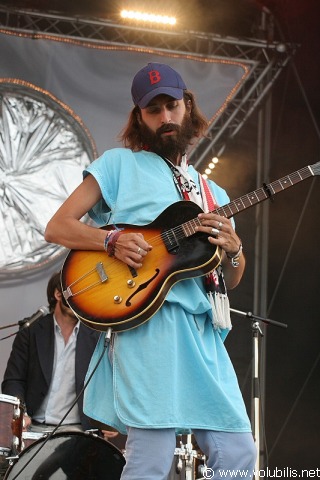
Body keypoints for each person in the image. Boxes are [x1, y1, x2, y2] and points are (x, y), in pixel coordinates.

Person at [44, 62, 257, 479]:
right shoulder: (119, 164)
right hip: (147, 325)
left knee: (239, 456)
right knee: (152, 458)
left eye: (171, 106)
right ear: (138, 117)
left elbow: (231, 279)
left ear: (187, 106)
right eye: (153, 110)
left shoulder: (213, 192)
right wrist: (111, 240)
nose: (165, 118)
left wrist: (234, 250)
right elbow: (58, 226)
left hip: (204, 333)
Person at [1, 272, 104, 436]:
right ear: (58, 294)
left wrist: (107, 417)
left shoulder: (97, 335)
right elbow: (14, 380)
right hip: (32, 428)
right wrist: (19, 414)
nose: (80, 300)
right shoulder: (31, 330)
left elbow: (107, 380)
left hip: (78, 431)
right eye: (75, 293)